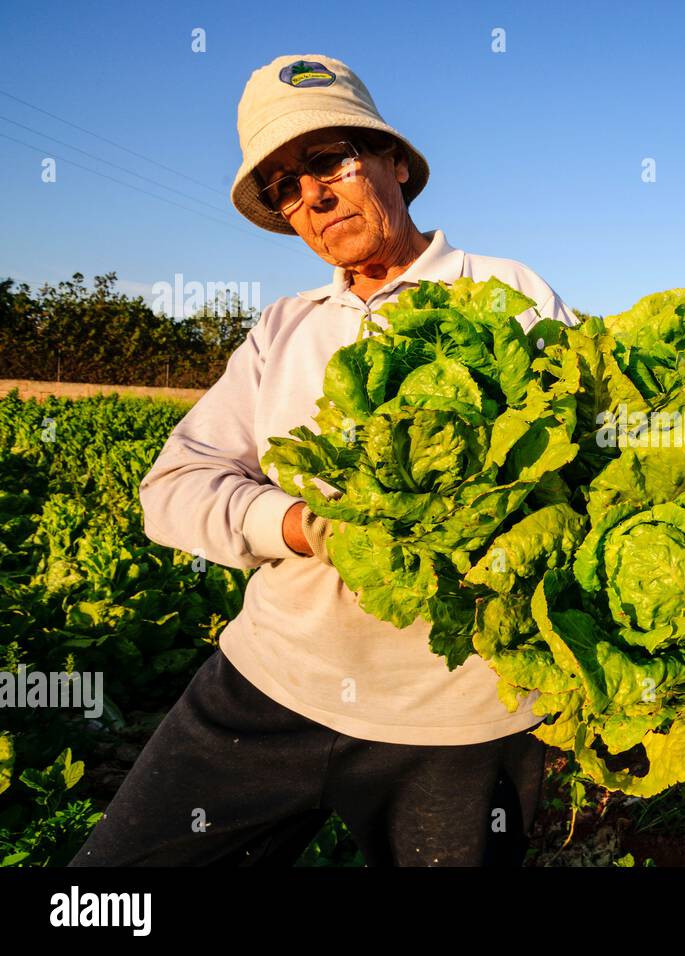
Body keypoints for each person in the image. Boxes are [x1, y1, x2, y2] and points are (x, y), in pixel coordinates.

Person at [68, 54, 578, 866]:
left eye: (328, 161)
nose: (312, 194)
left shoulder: (508, 291)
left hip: (458, 719)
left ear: (396, 165)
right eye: (283, 185)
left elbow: (588, 475)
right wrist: (302, 524)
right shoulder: (284, 328)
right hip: (272, 684)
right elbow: (173, 486)